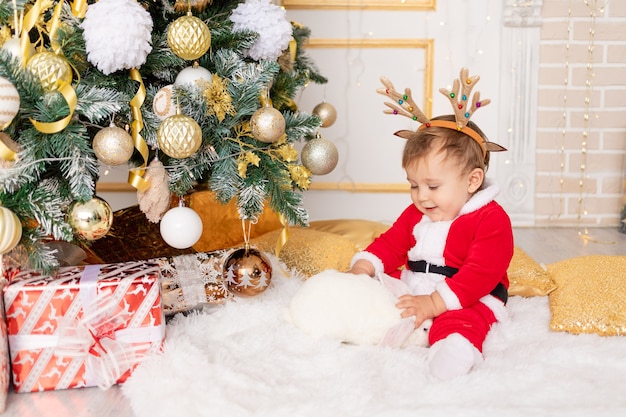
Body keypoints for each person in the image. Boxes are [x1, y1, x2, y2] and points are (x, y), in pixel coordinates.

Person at [348, 71, 514, 379]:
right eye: (414, 185)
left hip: (466, 292)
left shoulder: (490, 219)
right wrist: (365, 267)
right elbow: (393, 242)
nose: (421, 197)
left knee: (462, 319)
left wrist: (435, 303)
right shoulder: (419, 211)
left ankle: (454, 349)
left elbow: (481, 274)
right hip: (418, 282)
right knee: (380, 295)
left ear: (472, 180)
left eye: (433, 186)